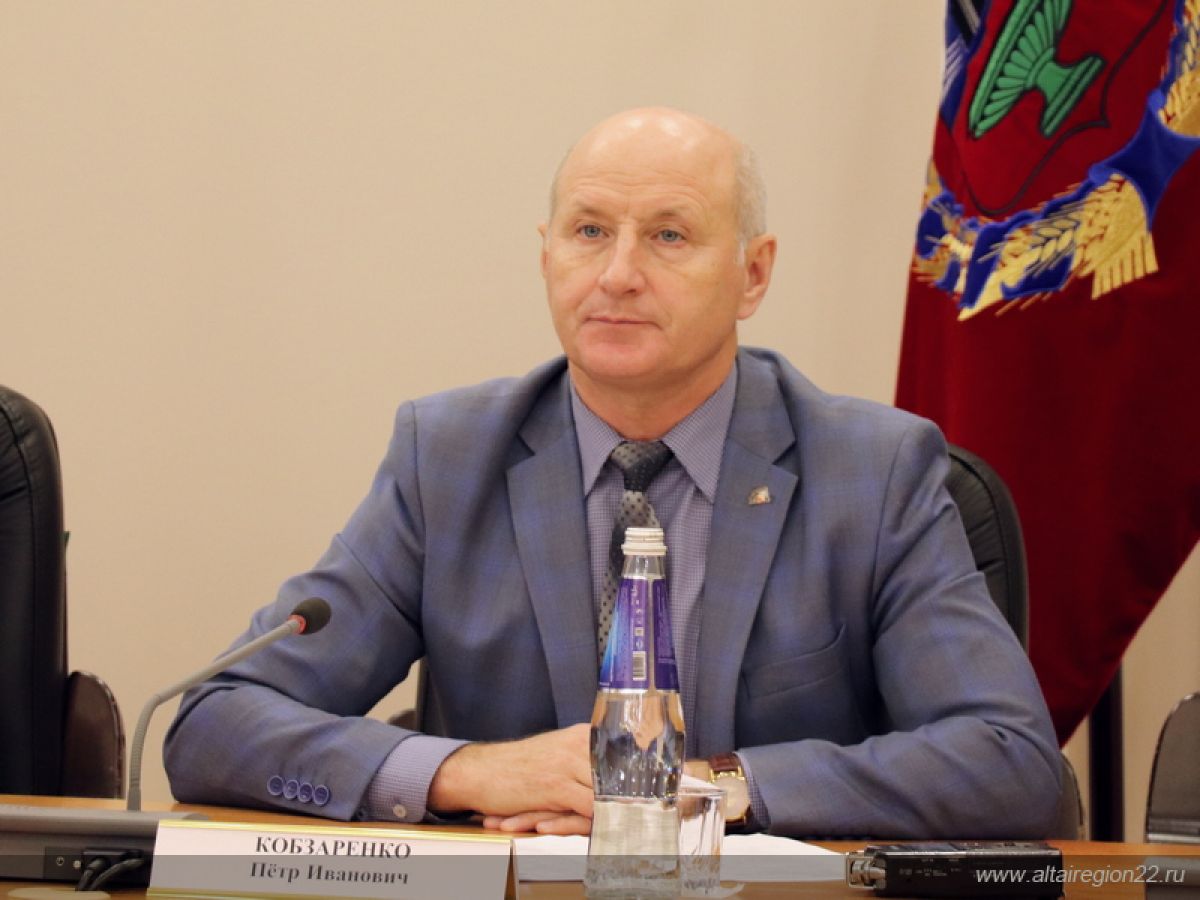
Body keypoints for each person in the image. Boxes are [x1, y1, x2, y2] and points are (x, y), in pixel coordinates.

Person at [164, 107, 1062, 838]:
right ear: (546, 255)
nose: (619, 274)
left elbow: (1013, 763)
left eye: (669, 235)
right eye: (590, 231)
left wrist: (713, 788)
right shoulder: (449, 460)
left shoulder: (873, 473)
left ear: (752, 275)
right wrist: (467, 772)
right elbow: (214, 723)